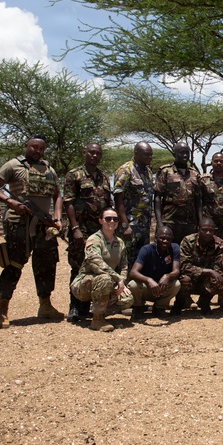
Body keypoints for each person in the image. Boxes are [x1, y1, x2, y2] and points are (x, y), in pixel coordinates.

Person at [0, 135, 65, 328]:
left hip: (44, 224)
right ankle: (2, 309)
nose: (37, 151)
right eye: (34, 147)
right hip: (19, 223)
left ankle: (45, 305)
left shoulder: (49, 169)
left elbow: (58, 195)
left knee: (47, 264)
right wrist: (11, 202)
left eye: (41, 149)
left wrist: (57, 218)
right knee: (14, 263)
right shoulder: (12, 165)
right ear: (26, 146)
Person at [63, 142, 112, 322]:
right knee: (77, 266)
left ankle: (88, 306)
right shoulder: (74, 175)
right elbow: (68, 202)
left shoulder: (104, 178)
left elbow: (107, 206)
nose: (94, 156)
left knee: (96, 265)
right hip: (81, 229)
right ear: (84, 153)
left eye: (97, 153)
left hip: (98, 231)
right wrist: (74, 228)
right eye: (91, 152)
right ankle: (74, 306)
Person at [70, 209, 133, 332]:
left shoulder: (119, 242)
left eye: (115, 219)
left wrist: (122, 282)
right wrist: (117, 278)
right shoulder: (94, 240)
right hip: (84, 284)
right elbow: (97, 264)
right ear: (100, 221)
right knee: (105, 279)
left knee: (127, 299)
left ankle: (102, 311)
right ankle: (97, 319)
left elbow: (124, 266)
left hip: (110, 281)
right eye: (108, 219)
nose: (112, 221)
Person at [113, 142, 155, 269]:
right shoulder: (126, 170)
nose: (149, 157)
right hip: (130, 225)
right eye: (145, 154)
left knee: (141, 259)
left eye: (151, 155)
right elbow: (118, 198)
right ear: (136, 153)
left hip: (144, 225)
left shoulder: (148, 171)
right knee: (126, 259)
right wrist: (125, 224)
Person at [154, 142, 204, 246]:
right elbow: (157, 197)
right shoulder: (165, 171)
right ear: (174, 153)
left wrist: (200, 222)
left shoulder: (194, 174)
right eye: (182, 153)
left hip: (190, 223)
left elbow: (198, 200)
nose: (185, 155)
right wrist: (159, 223)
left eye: (187, 153)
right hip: (170, 221)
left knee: (188, 251)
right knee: (167, 250)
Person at [127, 225, 181, 320]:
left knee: (176, 284)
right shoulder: (146, 249)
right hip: (147, 288)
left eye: (168, 239)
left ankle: (159, 308)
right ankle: (138, 307)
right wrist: (148, 280)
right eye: (162, 238)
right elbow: (133, 272)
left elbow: (176, 271)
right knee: (133, 285)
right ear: (156, 238)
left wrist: (167, 276)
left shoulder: (174, 248)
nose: (165, 241)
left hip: (162, 288)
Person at [178, 217, 223, 314]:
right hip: (190, 276)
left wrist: (214, 274)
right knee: (184, 279)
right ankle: (180, 302)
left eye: (211, 230)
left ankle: (204, 301)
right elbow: (184, 266)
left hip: (206, 278)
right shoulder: (188, 241)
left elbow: (218, 267)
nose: (208, 233)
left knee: (221, 280)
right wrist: (208, 271)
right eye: (205, 230)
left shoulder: (218, 244)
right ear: (199, 229)